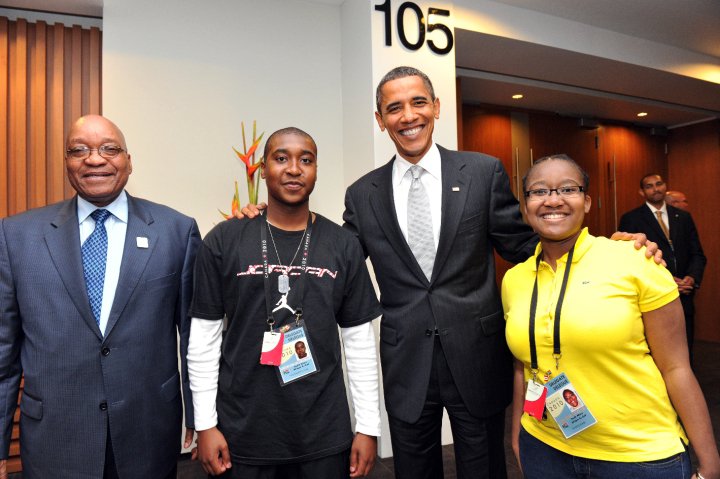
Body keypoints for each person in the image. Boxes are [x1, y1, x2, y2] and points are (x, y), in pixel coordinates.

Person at [238, 67, 662, 479]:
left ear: (437, 107)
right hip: (406, 363)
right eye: (394, 108)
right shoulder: (363, 193)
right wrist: (268, 219)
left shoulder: (481, 172)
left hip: (477, 357)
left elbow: (524, 245)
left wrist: (603, 250)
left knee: (483, 467)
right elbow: (337, 257)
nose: (408, 116)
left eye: (418, 102)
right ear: (380, 120)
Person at [0, 115, 200, 478]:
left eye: (109, 149)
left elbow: (194, 339)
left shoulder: (177, 231)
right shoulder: (17, 236)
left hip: (147, 431)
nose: (94, 159)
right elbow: (3, 354)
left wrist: (203, 421)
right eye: (80, 150)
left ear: (128, 159)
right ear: (66, 162)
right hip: (54, 438)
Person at [503, 154, 720, 479]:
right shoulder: (515, 280)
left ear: (587, 202)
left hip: (638, 457)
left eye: (567, 189)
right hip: (545, 448)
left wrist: (709, 463)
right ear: (525, 205)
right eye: (539, 191)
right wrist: (519, 436)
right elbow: (524, 365)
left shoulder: (635, 261)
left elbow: (676, 367)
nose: (553, 200)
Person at [188, 127, 382, 478]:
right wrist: (205, 424)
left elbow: (360, 344)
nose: (294, 169)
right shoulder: (224, 240)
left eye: (305, 160)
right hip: (242, 434)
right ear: (263, 168)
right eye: (281, 158)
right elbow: (203, 340)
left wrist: (368, 427)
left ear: (316, 169)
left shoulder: (342, 245)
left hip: (323, 432)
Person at [619, 174, 706, 362]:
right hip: (652, 295)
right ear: (642, 192)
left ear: (665, 186)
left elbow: (697, 253)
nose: (655, 189)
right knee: (658, 353)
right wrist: (667, 279)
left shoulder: (683, 217)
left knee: (685, 353)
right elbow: (629, 260)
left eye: (659, 184)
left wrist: (691, 277)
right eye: (649, 186)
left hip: (684, 294)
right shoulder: (631, 219)